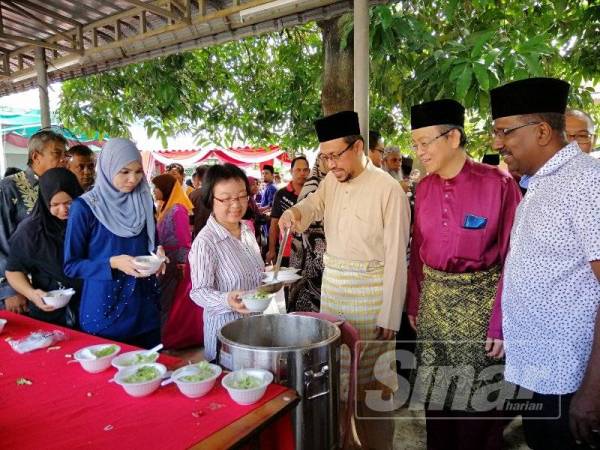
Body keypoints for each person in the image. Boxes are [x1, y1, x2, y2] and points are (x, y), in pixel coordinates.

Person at [279, 111, 410, 449]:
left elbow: (397, 255)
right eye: (325, 156)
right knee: (336, 379)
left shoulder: (388, 188)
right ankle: (341, 441)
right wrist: (293, 214)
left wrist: (390, 314)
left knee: (372, 387)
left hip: (372, 296)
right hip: (335, 293)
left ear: (359, 147)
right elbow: (312, 206)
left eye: (336, 155)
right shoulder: (330, 183)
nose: (330, 163)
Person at [406, 99, 522, 450]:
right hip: (433, 311)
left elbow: (513, 260)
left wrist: (499, 323)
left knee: (477, 406)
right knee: (437, 402)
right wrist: (414, 303)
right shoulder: (423, 189)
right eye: (415, 144)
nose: (419, 151)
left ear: (453, 137)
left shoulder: (498, 185)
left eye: (425, 142)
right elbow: (417, 255)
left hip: (481, 312)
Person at [492, 77, 600, 450]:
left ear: (541, 131)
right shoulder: (538, 182)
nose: (496, 143)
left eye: (504, 131)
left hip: (572, 381)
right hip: (538, 369)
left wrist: (593, 390)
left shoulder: (586, 182)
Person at [64, 138, 163, 348]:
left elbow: (151, 243)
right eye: (124, 172)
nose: (133, 179)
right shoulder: (85, 208)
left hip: (144, 306)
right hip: (106, 308)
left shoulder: (144, 201)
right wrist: (112, 263)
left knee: (149, 371)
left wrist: (158, 253)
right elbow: (71, 265)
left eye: (138, 172)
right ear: (108, 168)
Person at [189, 164, 263, 362]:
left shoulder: (247, 230)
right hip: (226, 337)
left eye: (241, 196)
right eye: (226, 198)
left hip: (255, 332)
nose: (236, 204)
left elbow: (254, 274)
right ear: (210, 200)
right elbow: (199, 291)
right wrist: (226, 300)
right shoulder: (206, 242)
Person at [0, 130, 67, 314]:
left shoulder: (61, 185)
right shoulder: (8, 188)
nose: (64, 159)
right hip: (21, 288)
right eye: (57, 154)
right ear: (36, 156)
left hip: (56, 288)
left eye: (65, 154)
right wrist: (9, 289)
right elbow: (2, 240)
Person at [5, 168, 83, 327]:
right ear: (44, 201)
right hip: (50, 310)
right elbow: (13, 270)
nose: (63, 210)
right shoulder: (31, 231)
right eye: (54, 204)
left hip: (90, 306)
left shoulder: (89, 221)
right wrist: (32, 294)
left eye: (69, 202)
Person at [152, 173, 202, 349]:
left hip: (175, 262)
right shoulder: (165, 207)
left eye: (156, 188)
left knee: (170, 299)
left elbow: (184, 239)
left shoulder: (178, 209)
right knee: (166, 299)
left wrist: (182, 263)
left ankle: (167, 337)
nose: (154, 191)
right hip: (166, 260)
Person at [289, 152, 329, 312]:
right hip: (308, 257)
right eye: (325, 159)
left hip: (326, 257)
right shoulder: (311, 189)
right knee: (306, 297)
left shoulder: (334, 185)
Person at [266, 155, 310, 265]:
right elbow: (274, 224)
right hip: (288, 248)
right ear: (291, 171)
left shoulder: (314, 193)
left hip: (310, 249)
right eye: (298, 170)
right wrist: (272, 250)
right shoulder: (281, 194)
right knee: (290, 280)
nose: (302, 173)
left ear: (309, 171)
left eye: (305, 170)